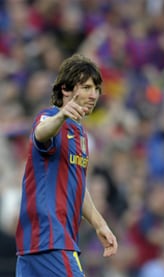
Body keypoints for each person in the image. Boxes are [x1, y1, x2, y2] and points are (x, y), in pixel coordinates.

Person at [15, 54, 118, 276]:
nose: (94, 95)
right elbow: (40, 134)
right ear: (66, 89)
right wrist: (61, 115)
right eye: (87, 87)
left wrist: (100, 224)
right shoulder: (49, 117)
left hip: (35, 245)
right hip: (51, 238)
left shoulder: (80, 133)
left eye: (97, 89)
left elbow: (77, 184)